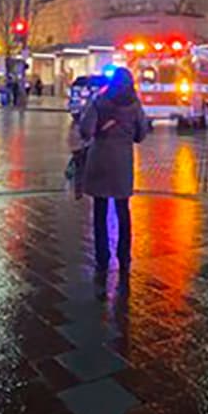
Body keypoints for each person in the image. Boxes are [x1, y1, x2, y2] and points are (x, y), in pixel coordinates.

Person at [79, 67, 150, 275]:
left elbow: (86, 130)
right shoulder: (135, 105)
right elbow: (141, 134)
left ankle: (102, 257)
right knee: (123, 210)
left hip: (100, 160)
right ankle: (124, 255)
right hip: (123, 163)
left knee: (99, 212)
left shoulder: (99, 101)